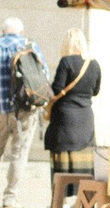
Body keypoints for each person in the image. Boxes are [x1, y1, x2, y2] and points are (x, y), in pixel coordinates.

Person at [0, 17, 47, 208]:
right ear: (21, 32)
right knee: (18, 154)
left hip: (1, 110)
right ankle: (10, 198)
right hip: (25, 111)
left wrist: (0, 88)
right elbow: (44, 77)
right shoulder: (30, 46)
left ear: (3, 31)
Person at [44, 28, 102, 183]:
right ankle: (84, 201)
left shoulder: (66, 62)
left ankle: (60, 200)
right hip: (85, 119)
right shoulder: (94, 64)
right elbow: (95, 91)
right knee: (85, 164)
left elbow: (57, 89)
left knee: (62, 163)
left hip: (65, 120)